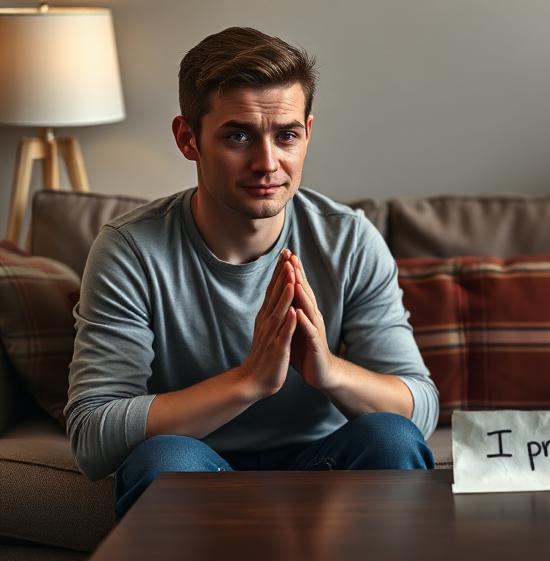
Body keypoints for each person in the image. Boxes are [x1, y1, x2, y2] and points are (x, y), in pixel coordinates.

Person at [65, 27, 438, 519]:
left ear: (308, 133)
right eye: (238, 135)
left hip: (324, 465)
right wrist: (249, 382)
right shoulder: (130, 248)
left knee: (391, 435)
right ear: (187, 138)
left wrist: (327, 371)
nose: (268, 163)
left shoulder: (348, 239)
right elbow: (92, 434)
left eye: (286, 136)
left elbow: (422, 410)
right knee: (164, 457)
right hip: (197, 464)